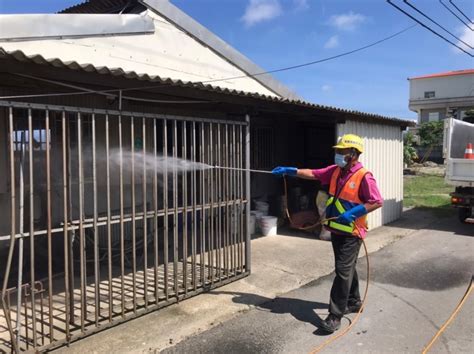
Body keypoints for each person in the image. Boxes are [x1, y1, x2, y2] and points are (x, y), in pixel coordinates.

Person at [272, 134, 383, 333]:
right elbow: (313, 173)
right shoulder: (335, 171)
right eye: (337, 151)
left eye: (342, 151)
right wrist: (291, 171)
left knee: (342, 271)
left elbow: (376, 200)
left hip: (352, 232)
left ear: (353, 154)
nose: (338, 154)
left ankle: (335, 315)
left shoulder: (364, 176)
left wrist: (353, 213)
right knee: (347, 268)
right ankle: (354, 300)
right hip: (336, 230)